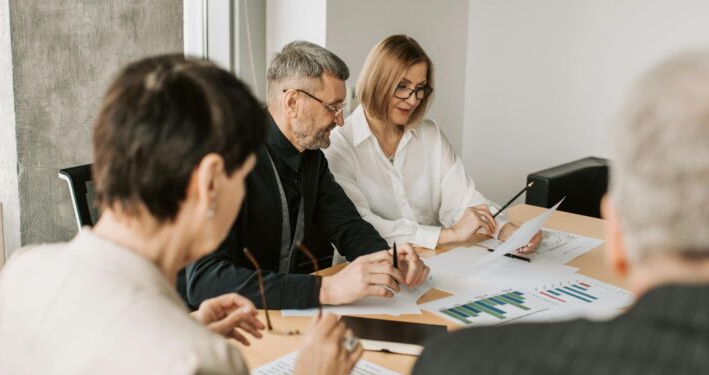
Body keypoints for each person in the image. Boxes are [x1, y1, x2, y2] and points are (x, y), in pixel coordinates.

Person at [0, 55, 362, 374]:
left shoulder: (18, 275)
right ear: (211, 181)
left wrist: (186, 323)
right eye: (244, 173)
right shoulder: (198, 358)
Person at [413, 50, 709, 374]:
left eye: (420, 88)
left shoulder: (457, 362)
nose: (413, 98)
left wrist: (503, 226)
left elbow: (466, 197)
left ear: (617, 236)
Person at [185, 41, 430, 310]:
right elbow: (203, 281)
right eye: (333, 107)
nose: (340, 121)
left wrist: (386, 259)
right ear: (292, 102)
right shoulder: (225, 159)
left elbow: (347, 226)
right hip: (215, 324)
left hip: (278, 313)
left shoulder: (312, 157)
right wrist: (326, 289)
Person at [324, 35, 541, 252]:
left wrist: (506, 230)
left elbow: (464, 201)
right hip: (369, 266)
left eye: (420, 88)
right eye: (402, 86)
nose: (413, 99)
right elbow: (360, 226)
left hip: (433, 259)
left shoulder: (430, 134)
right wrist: (450, 234)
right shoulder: (339, 144)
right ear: (377, 81)